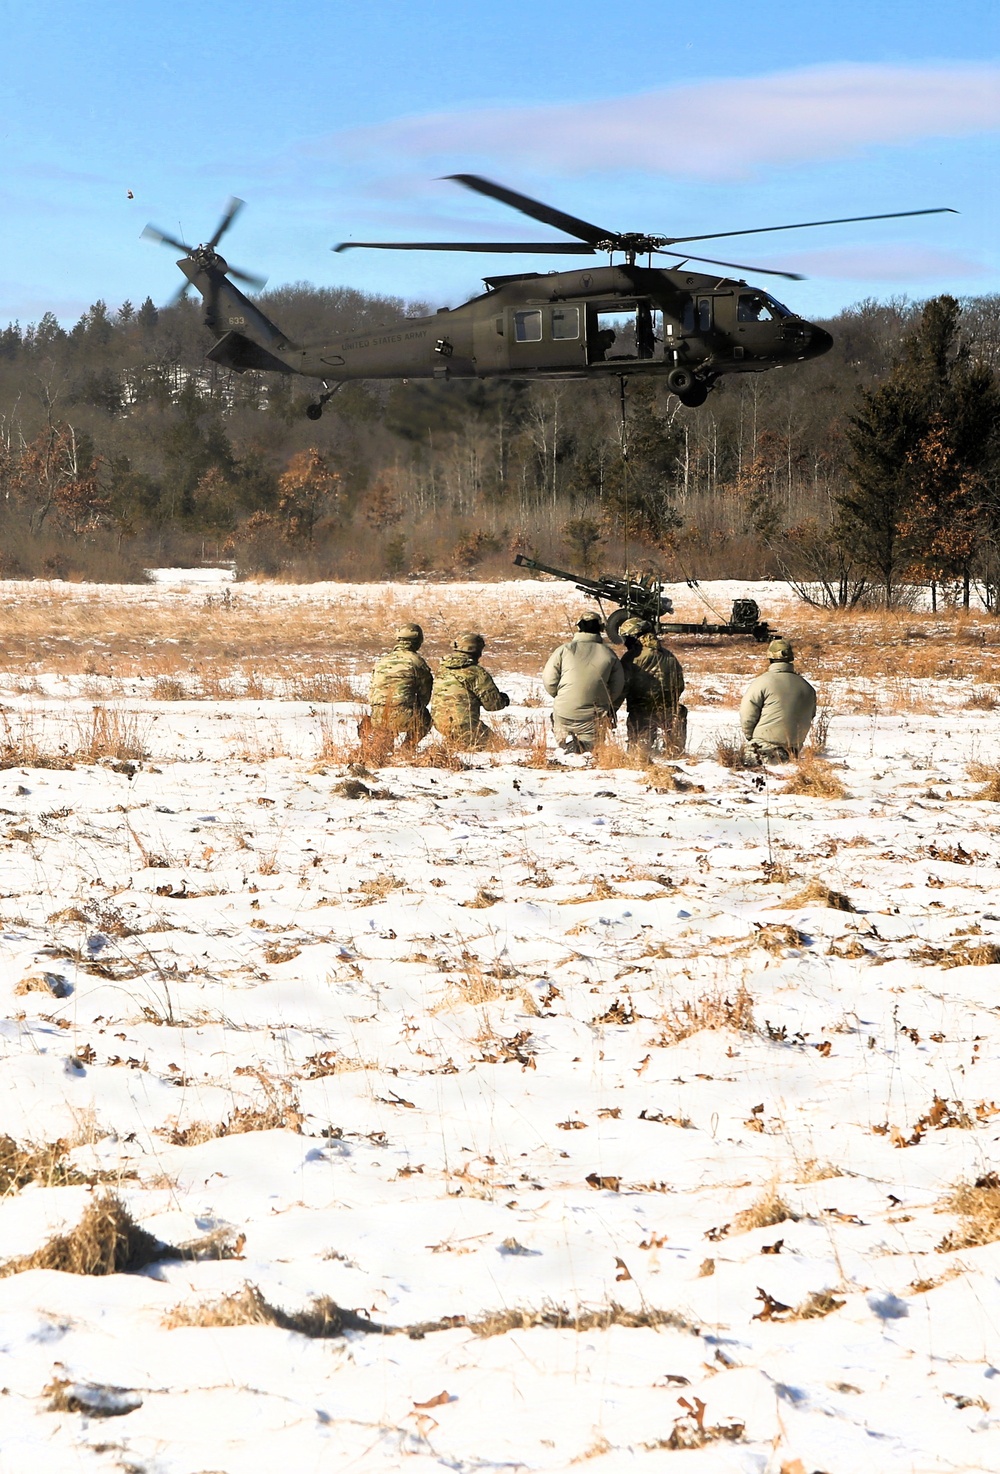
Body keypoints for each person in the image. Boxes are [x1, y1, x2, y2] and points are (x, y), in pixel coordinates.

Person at [542, 612, 625, 754]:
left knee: (566, 746)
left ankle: (567, 743)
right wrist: (605, 701)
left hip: (564, 710)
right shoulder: (608, 653)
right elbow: (618, 686)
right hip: (594, 714)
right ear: (600, 628)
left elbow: (549, 681)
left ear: (579, 627)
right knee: (590, 750)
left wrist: (561, 695)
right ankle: (583, 750)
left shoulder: (564, 650)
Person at [739, 637, 816, 761]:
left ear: (770, 657)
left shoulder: (762, 682)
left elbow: (747, 714)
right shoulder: (807, 687)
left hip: (763, 749)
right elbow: (811, 715)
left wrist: (751, 738)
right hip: (793, 751)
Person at [618, 617, 686, 754]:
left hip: (640, 715)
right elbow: (679, 685)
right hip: (669, 712)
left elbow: (622, 687)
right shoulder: (668, 655)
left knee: (638, 753)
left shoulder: (631, 658)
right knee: (675, 752)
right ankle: (674, 750)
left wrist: (611, 709)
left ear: (634, 636)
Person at [430, 632, 510, 748]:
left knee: (461, 743)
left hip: (439, 723)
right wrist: (503, 700)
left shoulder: (442, 669)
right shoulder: (476, 672)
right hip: (466, 725)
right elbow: (493, 705)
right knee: (499, 747)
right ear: (477, 651)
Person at [368, 622, 433, 746]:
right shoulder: (417, 662)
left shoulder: (383, 660)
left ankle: (383, 748)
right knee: (426, 717)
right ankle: (407, 747)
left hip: (377, 716)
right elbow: (425, 695)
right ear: (419, 640)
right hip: (404, 715)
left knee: (385, 727)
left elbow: (373, 690)